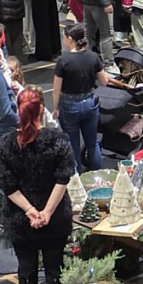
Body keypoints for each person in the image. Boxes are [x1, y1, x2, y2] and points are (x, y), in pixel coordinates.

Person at [0, 85, 74, 284]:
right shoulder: (58, 140)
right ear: (41, 110)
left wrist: (30, 211)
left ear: (19, 110)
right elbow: (63, 178)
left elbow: (6, 185)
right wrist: (46, 212)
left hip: (20, 221)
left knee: (27, 270)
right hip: (55, 217)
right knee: (55, 268)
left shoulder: (5, 145)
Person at [51, 23, 108, 173]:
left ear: (70, 39)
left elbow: (56, 89)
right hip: (90, 102)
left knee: (73, 145)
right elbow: (104, 81)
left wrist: (55, 107)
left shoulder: (63, 60)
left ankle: (77, 180)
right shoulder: (93, 57)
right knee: (93, 143)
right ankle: (98, 174)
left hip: (69, 105)